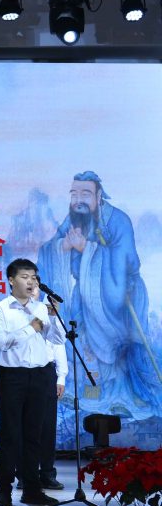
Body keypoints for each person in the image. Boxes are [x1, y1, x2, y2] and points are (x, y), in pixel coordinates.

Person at [37, 171, 159, 419]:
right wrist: (64, 246)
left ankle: (122, 396)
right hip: (86, 293)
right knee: (81, 339)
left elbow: (125, 262)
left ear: (99, 196)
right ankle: (89, 390)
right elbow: (49, 248)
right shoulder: (74, 219)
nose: (78, 200)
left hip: (121, 295)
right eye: (74, 194)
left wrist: (87, 248)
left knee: (119, 345)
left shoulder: (119, 221)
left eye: (85, 193)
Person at [0, 258, 65, 506]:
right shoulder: (0, 309)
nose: (30, 281)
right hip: (13, 377)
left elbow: (57, 340)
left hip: (41, 375)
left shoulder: (42, 308)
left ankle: (32, 490)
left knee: (35, 435)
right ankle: (4, 490)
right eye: (25, 277)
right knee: (10, 435)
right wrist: (31, 328)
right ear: (11, 280)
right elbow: (3, 342)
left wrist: (54, 317)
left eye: (33, 277)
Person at [17, 284, 68, 492]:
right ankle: (24, 475)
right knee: (25, 427)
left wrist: (61, 377)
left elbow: (59, 344)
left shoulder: (48, 312)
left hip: (47, 373)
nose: (32, 289)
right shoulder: (15, 311)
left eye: (36, 286)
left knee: (47, 427)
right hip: (23, 372)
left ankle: (47, 473)